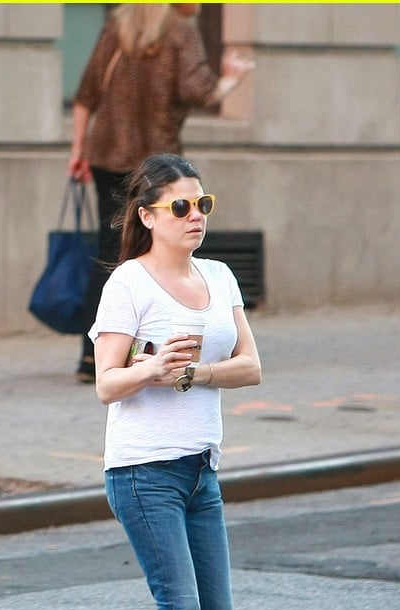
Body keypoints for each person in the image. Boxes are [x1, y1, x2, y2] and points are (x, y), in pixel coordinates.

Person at [88, 153, 262, 610]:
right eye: (181, 207)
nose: (195, 217)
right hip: (142, 470)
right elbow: (108, 384)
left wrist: (194, 373)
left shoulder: (218, 276)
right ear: (147, 216)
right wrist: (154, 368)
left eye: (203, 205)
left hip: (200, 470)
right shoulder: (128, 285)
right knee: (180, 608)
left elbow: (251, 365)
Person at [66, 3, 254, 383]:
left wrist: (78, 150)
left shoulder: (117, 25)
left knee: (110, 250)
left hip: (108, 155)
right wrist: (230, 79)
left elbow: (86, 93)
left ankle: (93, 356)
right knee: (158, 253)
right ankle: (151, 344)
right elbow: (198, 89)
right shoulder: (180, 30)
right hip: (156, 167)